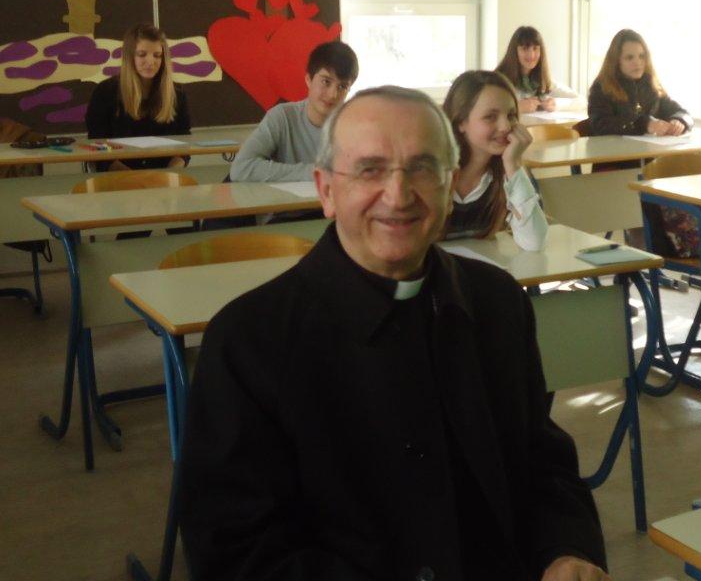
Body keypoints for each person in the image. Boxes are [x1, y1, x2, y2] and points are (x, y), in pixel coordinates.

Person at [179, 86, 609, 581]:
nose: (399, 196)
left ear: (450, 186)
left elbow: (541, 463)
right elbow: (236, 550)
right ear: (325, 190)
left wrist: (566, 552)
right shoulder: (249, 341)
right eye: (370, 170)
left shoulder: (497, 302)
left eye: (423, 168)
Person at [442, 70, 548, 251]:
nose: (505, 126)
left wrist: (513, 165)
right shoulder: (433, 175)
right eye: (490, 117)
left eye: (511, 115)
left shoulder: (510, 174)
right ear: (461, 122)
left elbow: (534, 242)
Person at [230, 40, 358, 182]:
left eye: (342, 87)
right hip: (285, 197)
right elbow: (241, 168)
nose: (333, 94)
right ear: (308, 80)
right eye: (326, 82)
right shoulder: (282, 117)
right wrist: (315, 173)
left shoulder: (356, 126)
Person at [85, 23, 191, 171]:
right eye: (142, 54)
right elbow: (97, 144)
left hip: (164, 177)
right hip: (117, 178)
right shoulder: (105, 92)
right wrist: (134, 177)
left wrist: (168, 173)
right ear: (129, 57)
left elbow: (184, 145)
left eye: (157, 55)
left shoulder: (177, 93)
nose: (151, 62)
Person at [586, 28, 693, 137]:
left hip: (649, 147)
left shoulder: (652, 84)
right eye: (629, 58)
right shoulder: (601, 87)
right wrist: (645, 124)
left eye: (642, 56)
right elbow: (601, 125)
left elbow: (683, 114)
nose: (637, 62)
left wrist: (679, 121)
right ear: (616, 61)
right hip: (612, 148)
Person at [494, 26, 577, 114]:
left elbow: (580, 100)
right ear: (514, 51)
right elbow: (487, 109)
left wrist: (556, 104)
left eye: (535, 48)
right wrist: (516, 108)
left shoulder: (543, 82)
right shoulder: (498, 80)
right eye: (525, 49)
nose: (531, 55)